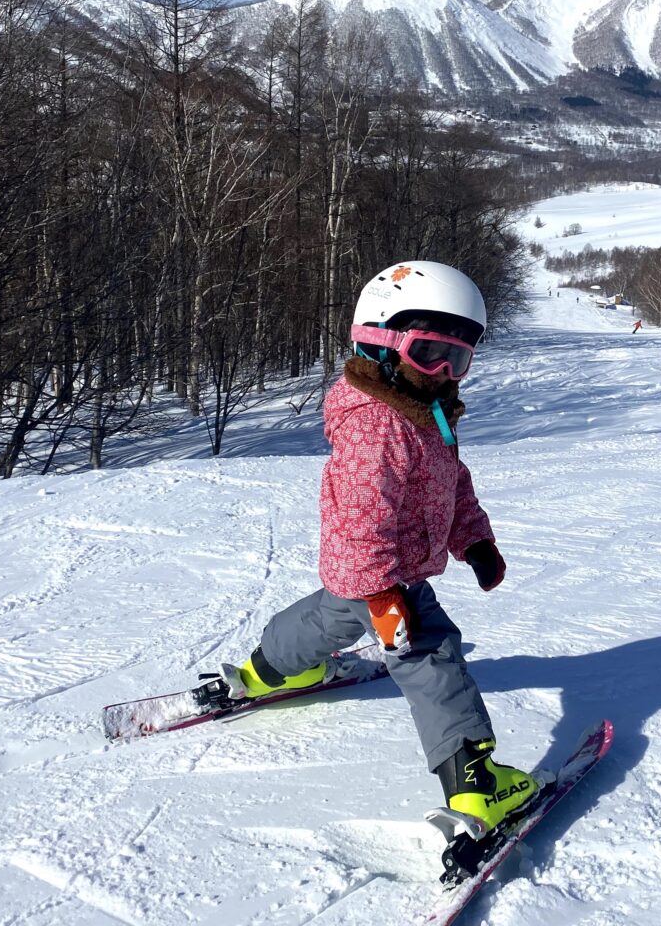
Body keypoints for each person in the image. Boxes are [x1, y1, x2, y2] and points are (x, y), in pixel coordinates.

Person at [222, 260, 537, 835]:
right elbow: (357, 519)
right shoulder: (377, 426)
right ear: (380, 342)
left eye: (458, 359)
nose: (443, 371)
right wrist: (387, 593)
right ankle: (474, 785)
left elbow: (451, 481)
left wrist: (475, 540)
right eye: (428, 353)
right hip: (385, 574)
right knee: (428, 652)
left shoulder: (424, 412)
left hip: (367, 576)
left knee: (328, 617)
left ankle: (268, 668)